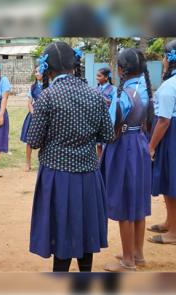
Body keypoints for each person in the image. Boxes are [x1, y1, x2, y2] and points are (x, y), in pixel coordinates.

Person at [28, 42, 114, 272]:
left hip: (57, 176)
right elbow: (107, 134)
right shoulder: (95, 95)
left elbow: (34, 141)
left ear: (48, 68)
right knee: (85, 230)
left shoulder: (47, 97)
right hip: (88, 175)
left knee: (61, 231)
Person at [101, 48, 154, 271]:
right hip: (140, 145)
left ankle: (128, 261)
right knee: (138, 202)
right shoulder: (144, 89)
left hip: (124, 148)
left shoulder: (123, 95)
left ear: (121, 69)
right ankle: (137, 254)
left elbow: (110, 126)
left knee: (124, 203)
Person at [148, 39, 176, 245]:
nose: (164, 61)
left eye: (165, 57)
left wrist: (151, 146)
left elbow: (164, 120)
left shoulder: (169, 86)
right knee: (170, 182)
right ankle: (170, 222)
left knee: (171, 182)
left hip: (171, 137)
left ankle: (174, 232)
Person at [20, 67, 43, 172]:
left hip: (45, 116)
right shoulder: (33, 87)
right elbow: (29, 103)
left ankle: (43, 164)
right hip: (33, 116)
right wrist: (34, 114)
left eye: (40, 71)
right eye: (36, 72)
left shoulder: (50, 86)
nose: (37, 74)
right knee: (30, 140)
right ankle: (28, 163)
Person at [95, 67, 118, 159]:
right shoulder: (95, 88)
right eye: (97, 76)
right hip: (97, 120)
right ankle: (100, 163)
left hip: (107, 120)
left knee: (106, 144)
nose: (97, 78)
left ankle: (106, 162)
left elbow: (114, 105)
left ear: (106, 77)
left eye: (99, 76)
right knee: (98, 144)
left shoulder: (113, 89)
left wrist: (105, 100)